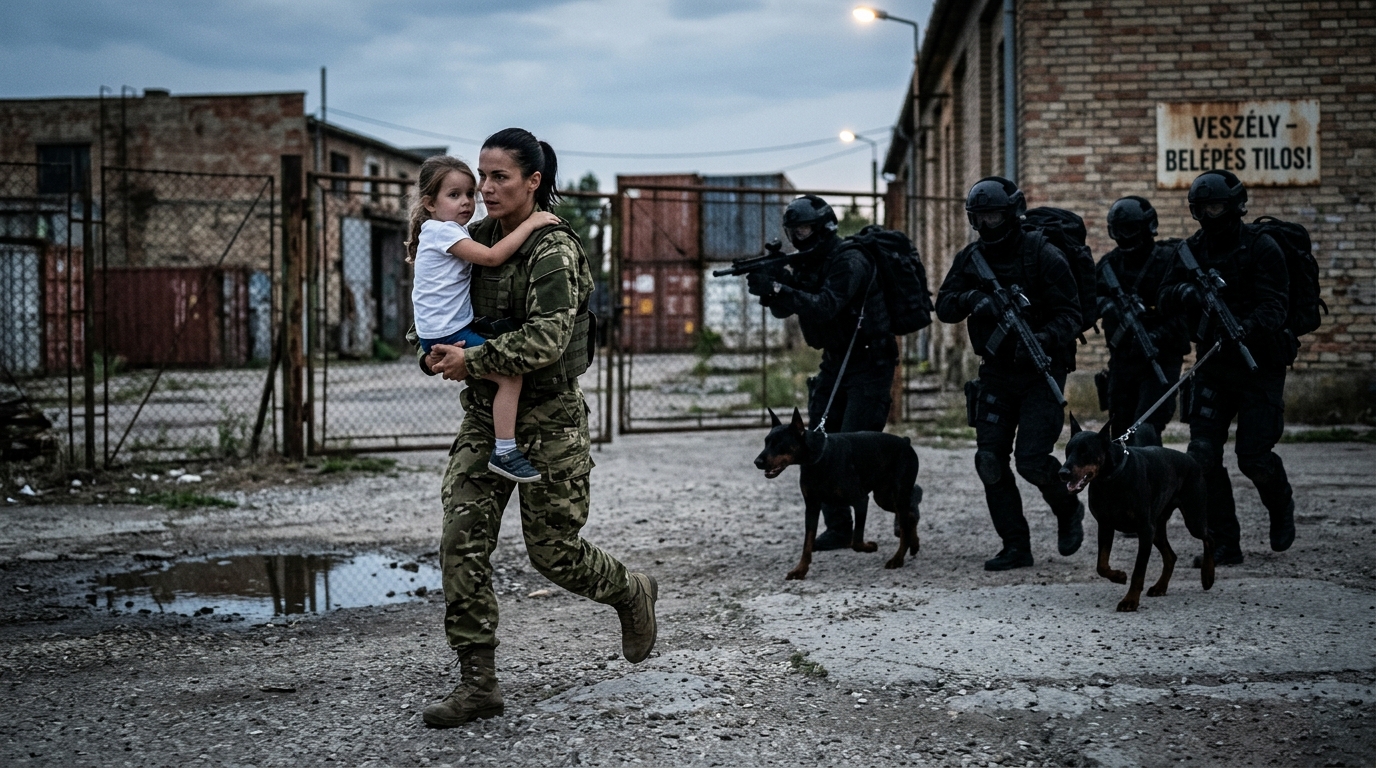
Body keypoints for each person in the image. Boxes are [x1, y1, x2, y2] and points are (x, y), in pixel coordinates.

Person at [413, 128, 658, 728]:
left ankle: (630, 590)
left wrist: (472, 359)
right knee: (460, 538)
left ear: (533, 182)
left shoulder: (553, 250)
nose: (486, 189)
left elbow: (547, 342)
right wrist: (433, 354)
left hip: (548, 421)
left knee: (555, 556)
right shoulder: (468, 237)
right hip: (484, 415)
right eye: (481, 177)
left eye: (499, 178)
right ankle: (478, 684)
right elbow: (437, 306)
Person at [935, 176, 1085, 571]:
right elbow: (945, 306)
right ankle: (1015, 545)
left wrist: (1041, 335)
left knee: (1033, 460)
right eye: (979, 217)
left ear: (1012, 213)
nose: (987, 225)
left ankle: (1068, 509)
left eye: (994, 216)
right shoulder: (971, 260)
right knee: (989, 460)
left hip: (1041, 369)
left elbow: (1072, 316)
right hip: (996, 373)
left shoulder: (1043, 255)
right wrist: (973, 299)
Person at [1157, 170, 1295, 566]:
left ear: (1234, 206)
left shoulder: (1262, 247)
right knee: (1202, 455)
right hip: (1213, 366)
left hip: (1259, 366)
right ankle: (1223, 542)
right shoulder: (1190, 251)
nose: (1209, 214)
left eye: (1215, 206)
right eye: (1201, 208)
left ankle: (1280, 504)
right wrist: (1186, 291)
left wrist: (1246, 327)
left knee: (1253, 457)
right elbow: (1164, 297)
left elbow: (1275, 305)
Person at [744, 194, 896, 551]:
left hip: (870, 364)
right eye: (793, 231)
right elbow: (790, 310)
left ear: (824, 227)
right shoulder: (811, 264)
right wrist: (772, 287)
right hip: (835, 361)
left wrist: (781, 286)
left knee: (857, 445)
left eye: (805, 229)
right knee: (820, 442)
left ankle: (905, 495)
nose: (799, 237)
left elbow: (826, 305)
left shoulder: (850, 261)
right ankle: (839, 526)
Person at [407, 154, 561, 482]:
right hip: (449, 333)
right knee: (510, 377)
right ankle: (505, 450)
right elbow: (491, 257)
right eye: (454, 196)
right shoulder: (447, 233)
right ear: (429, 203)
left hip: (440, 331)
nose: (466, 202)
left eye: (468, 194)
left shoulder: (446, 232)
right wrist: (531, 223)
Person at [1095, 196, 1190, 447]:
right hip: (1122, 362)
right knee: (1120, 433)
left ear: (1148, 227)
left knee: (1144, 432)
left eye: (1130, 229)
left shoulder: (1168, 262)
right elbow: (1087, 304)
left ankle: (1153, 484)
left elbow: (1187, 315)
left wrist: (1158, 335)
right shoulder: (1109, 266)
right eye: (1119, 231)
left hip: (1161, 360)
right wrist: (1110, 307)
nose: (1125, 237)